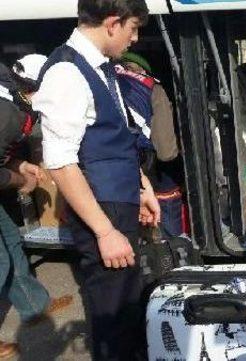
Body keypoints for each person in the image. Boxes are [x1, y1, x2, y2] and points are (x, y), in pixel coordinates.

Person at [32, 1, 160, 360]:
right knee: (113, 323)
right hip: (102, 213)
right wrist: (105, 232)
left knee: (127, 311)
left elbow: (113, 137)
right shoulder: (67, 73)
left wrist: (141, 185)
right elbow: (60, 163)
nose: (135, 38)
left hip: (115, 203)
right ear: (111, 23)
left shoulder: (99, 67)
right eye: (133, 28)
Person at [0, 56, 73, 360]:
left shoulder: (15, 106)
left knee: (12, 243)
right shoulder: (8, 114)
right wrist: (19, 181)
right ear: (36, 87)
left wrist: (23, 165)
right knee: (0, 262)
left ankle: (33, 305)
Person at [116, 52, 185, 237]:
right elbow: (166, 151)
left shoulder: (102, 81)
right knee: (167, 181)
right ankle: (172, 243)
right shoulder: (151, 87)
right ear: (144, 70)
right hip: (138, 162)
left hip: (105, 164)